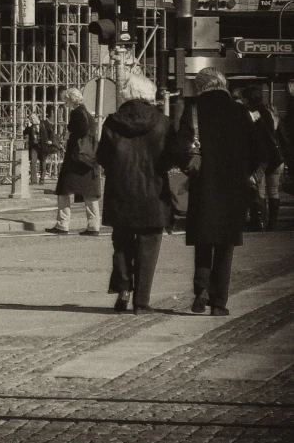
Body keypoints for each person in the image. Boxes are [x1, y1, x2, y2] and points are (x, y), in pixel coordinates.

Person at [176, 68, 261, 317]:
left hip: (204, 184)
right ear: (222, 83)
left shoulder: (193, 110)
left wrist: (190, 168)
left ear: (200, 86)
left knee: (204, 240)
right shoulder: (241, 111)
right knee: (226, 244)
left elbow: (179, 146)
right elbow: (259, 149)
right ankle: (219, 302)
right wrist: (245, 172)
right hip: (234, 187)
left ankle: (201, 289)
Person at [95, 75, 174, 314]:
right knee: (149, 247)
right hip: (153, 192)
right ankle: (141, 301)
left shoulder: (112, 122)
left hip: (121, 191)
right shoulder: (163, 122)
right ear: (150, 95)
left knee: (121, 243)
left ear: (126, 95)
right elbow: (171, 156)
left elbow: (102, 156)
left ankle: (123, 287)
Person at [45, 87, 101, 236]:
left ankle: (62, 224)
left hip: (76, 159)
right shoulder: (87, 113)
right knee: (90, 193)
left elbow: (81, 130)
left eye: (66, 101)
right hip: (88, 159)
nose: (65, 104)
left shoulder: (77, 113)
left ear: (71, 100)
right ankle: (94, 225)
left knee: (63, 191)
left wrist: (71, 134)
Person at [242, 85, 284, 231]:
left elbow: (256, 140)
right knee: (273, 191)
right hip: (276, 157)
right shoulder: (269, 112)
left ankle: (260, 220)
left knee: (260, 191)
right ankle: (272, 224)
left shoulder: (254, 114)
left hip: (262, 159)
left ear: (249, 99)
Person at [22, 115, 40, 184]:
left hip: (42, 146)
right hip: (33, 147)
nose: (32, 119)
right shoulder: (31, 127)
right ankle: (34, 180)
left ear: (37, 118)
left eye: (34, 118)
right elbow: (25, 133)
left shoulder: (42, 124)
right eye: (31, 118)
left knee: (43, 163)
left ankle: (42, 179)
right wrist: (28, 126)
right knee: (33, 162)